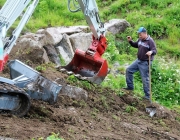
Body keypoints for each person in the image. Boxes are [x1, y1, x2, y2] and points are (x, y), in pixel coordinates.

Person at [123, 27, 157, 100]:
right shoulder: (140, 39)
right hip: (138, 60)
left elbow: (154, 50)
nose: (139, 36)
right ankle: (130, 87)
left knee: (145, 79)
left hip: (145, 62)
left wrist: (151, 52)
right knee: (129, 70)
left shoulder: (150, 41)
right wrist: (130, 41)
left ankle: (147, 97)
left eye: (140, 34)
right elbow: (136, 45)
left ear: (145, 33)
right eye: (138, 34)